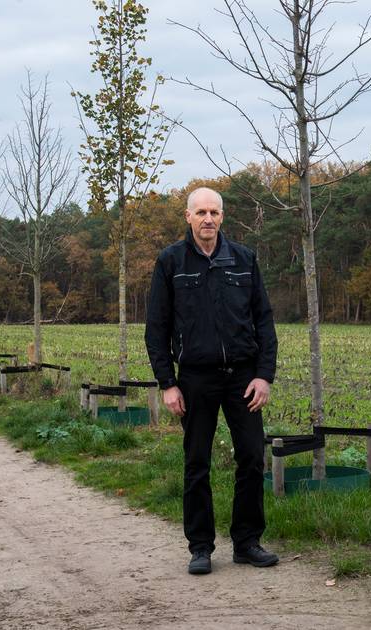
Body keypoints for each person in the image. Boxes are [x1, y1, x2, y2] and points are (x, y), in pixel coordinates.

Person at [145, 187, 279, 576]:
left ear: (223, 217)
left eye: (214, 212)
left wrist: (263, 375)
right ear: (188, 216)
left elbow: (264, 321)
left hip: (243, 377)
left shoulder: (244, 259)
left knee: (252, 458)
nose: (208, 219)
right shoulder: (171, 261)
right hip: (195, 379)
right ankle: (200, 547)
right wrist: (167, 383)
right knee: (197, 462)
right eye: (201, 212)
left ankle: (247, 542)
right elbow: (156, 328)